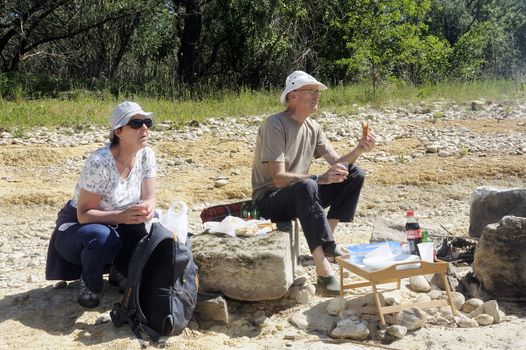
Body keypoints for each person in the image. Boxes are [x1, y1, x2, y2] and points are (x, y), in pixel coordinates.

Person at [251, 71, 375, 293]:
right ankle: (323, 270)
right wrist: (320, 178)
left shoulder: (313, 127)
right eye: (311, 90)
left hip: (301, 194)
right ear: (293, 96)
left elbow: (338, 163)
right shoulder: (274, 124)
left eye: (317, 91)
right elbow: (279, 179)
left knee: (354, 173)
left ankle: (328, 242)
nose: (317, 95)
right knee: (309, 184)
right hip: (269, 201)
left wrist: (358, 150)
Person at [45, 101, 157, 308]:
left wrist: (147, 208)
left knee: (154, 228)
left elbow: (150, 197)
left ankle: (119, 271)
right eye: (136, 124)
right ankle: (90, 282)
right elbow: (84, 215)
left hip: (120, 226)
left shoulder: (146, 155)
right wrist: (122, 216)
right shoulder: (100, 162)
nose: (144, 128)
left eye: (147, 122)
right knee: (100, 236)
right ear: (119, 131)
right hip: (78, 229)